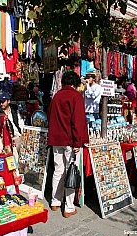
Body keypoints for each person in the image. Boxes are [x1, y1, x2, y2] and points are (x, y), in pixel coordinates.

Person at [48, 71, 89, 218]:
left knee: (58, 170)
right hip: (70, 141)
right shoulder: (76, 96)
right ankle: (69, 207)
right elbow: (77, 121)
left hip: (56, 140)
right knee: (71, 171)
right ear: (75, 84)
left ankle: (55, 201)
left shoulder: (57, 96)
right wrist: (78, 142)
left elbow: (50, 116)